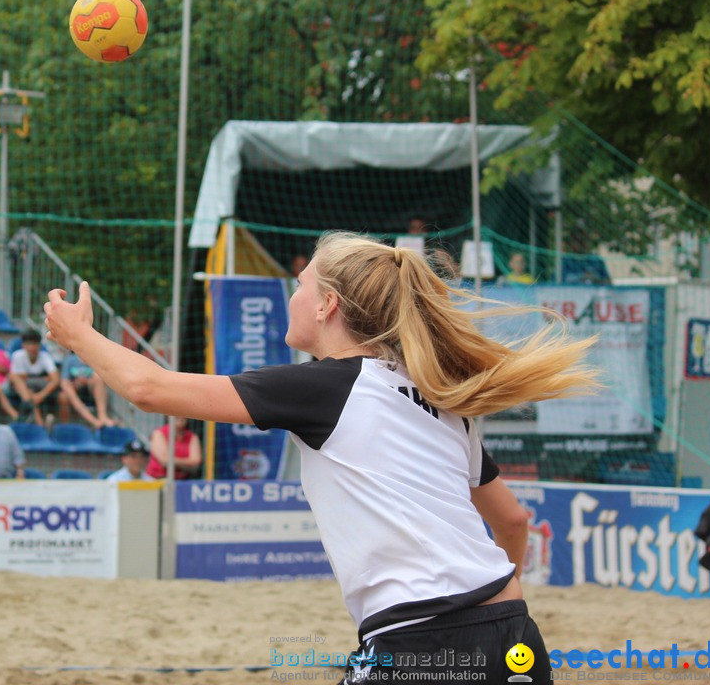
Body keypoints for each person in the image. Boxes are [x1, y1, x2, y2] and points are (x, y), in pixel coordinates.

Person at [43, 231, 598, 683]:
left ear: (328, 305)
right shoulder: (442, 398)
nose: (294, 294)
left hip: (419, 640)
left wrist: (79, 336)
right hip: (516, 635)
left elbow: (149, 389)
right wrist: (497, 601)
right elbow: (512, 520)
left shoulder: (330, 386)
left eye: (302, 283)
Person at [7, 329, 60, 428]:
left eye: (34, 343)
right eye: (28, 343)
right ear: (23, 345)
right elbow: (16, 378)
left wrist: (41, 395)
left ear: (39, 345)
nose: (32, 347)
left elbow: (56, 379)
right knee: (19, 382)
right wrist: (43, 377)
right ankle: (39, 422)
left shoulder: (45, 356)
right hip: (22, 390)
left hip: (39, 390)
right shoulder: (17, 356)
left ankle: (31, 416)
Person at [59, 350, 115, 429]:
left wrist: (86, 381)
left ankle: (102, 416)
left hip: (90, 391)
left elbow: (101, 378)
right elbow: (64, 382)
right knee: (64, 394)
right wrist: (75, 384)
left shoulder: (94, 358)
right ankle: (93, 421)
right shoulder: (70, 360)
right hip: (74, 392)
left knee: (98, 377)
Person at [146, 415, 201, 480]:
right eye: (176, 414)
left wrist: (172, 461)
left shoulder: (192, 436)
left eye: (183, 414)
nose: (180, 416)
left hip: (182, 481)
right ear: (168, 416)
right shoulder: (158, 433)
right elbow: (164, 461)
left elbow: (196, 462)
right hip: (156, 479)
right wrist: (187, 463)